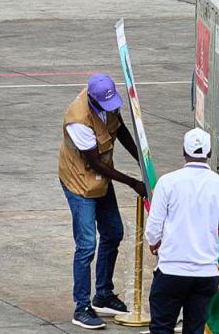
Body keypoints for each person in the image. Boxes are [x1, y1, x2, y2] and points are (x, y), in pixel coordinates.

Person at [60, 73, 147, 330]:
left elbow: (119, 130)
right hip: (80, 183)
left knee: (113, 232)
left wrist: (142, 160)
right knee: (86, 245)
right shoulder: (78, 121)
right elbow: (94, 162)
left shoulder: (107, 103)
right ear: (93, 100)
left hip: (102, 178)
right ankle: (81, 307)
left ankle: (103, 295)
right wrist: (133, 182)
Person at [144, 128, 219, 334]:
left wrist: (154, 242)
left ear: (183, 152)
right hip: (206, 274)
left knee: (161, 327)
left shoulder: (167, 182)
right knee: (195, 330)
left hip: (170, 271)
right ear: (210, 153)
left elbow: (153, 227)